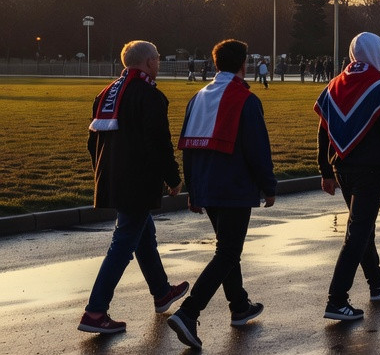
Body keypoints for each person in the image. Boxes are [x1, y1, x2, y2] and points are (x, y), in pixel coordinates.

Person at [167, 39, 277, 349]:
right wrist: (268, 186)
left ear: (216, 64)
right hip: (234, 184)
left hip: (206, 182)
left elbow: (187, 146)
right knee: (228, 251)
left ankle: (239, 305)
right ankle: (189, 312)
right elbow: (257, 148)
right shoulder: (246, 99)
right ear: (244, 65)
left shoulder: (198, 97)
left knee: (227, 247)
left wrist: (193, 188)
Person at [78, 40, 188, 336]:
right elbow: (159, 143)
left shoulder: (106, 93)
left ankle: (162, 291)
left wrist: (103, 174)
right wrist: (173, 177)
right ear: (149, 62)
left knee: (143, 234)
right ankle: (95, 310)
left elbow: (93, 143)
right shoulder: (149, 95)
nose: (160, 63)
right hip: (137, 180)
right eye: (159, 58)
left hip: (112, 177)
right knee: (124, 243)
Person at [315, 33, 380, 321]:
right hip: (370, 170)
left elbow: (323, 132)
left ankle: (377, 281)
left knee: (362, 226)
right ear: (377, 53)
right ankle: (337, 299)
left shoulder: (334, 84)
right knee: (357, 232)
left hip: (341, 167)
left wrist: (324, 171)